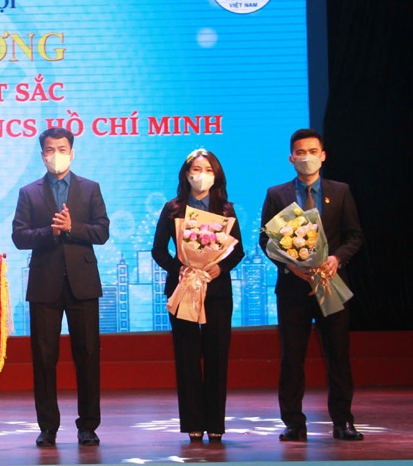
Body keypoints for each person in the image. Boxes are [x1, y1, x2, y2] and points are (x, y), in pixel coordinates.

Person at [259, 128, 364, 442]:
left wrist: (336, 259)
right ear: (291, 158)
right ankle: (293, 422)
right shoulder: (276, 194)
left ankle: (343, 421)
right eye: (300, 153)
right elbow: (265, 240)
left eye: (313, 151)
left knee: (338, 356)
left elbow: (354, 236)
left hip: (331, 285)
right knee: (292, 358)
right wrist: (290, 265)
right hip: (293, 289)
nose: (307, 158)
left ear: (323, 155)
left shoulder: (340, 191)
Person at [11, 127, 110, 447]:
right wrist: (50, 232)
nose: (57, 155)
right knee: (43, 358)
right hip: (45, 285)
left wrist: (72, 228)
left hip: (83, 284)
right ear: (43, 155)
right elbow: (19, 236)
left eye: (62, 149)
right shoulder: (29, 192)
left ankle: (88, 426)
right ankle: (48, 426)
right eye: (50, 150)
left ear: (72, 152)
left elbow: (102, 231)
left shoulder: (90, 188)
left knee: (88, 355)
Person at [151, 149, 244, 442]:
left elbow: (237, 251)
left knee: (217, 356)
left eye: (207, 170)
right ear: (186, 174)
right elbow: (158, 250)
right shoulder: (173, 209)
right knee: (187, 357)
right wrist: (180, 268)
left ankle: (215, 423)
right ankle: (193, 422)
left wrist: (219, 268)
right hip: (183, 290)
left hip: (217, 293)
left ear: (216, 176)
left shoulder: (226, 210)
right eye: (196, 169)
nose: (201, 175)